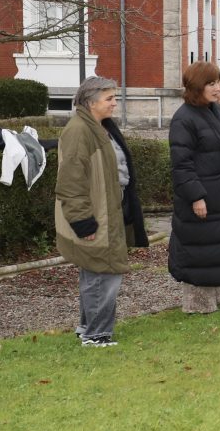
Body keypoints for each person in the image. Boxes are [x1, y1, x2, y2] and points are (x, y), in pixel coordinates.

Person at [55, 76, 150, 347]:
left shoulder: (100, 126)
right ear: (90, 101)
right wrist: (83, 222)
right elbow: (71, 183)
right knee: (103, 271)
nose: (114, 104)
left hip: (108, 209)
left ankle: (88, 327)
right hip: (96, 214)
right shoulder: (79, 131)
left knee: (95, 270)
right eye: (109, 99)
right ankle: (97, 334)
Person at [168, 61, 220, 314]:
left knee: (218, 245)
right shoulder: (184, 119)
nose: (217, 88)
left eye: (216, 83)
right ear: (197, 86)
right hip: (203, 196)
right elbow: (182, 165)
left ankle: (216, 297)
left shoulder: (212, 112)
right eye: (210, 83)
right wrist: (196, 196)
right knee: (200, 249)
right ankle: (198, 304)